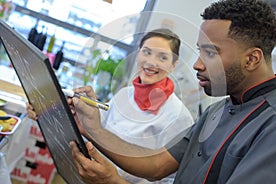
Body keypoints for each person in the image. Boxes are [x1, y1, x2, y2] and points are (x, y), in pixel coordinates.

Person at [68, 0, 276, 184]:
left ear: (251, 59)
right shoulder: (217, 111)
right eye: (200, 51)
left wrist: (113, 182)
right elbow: (157, 165)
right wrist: (93, 129)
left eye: (210, 53)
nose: (197, 64)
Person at [27, 28, 195, 183]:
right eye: (147, 52)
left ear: (174, 64)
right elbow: (93, 134)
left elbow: (170, 179)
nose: (151, 62)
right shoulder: (124, 95)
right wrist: (47, 112)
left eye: (162, 57)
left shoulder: (179, 116)